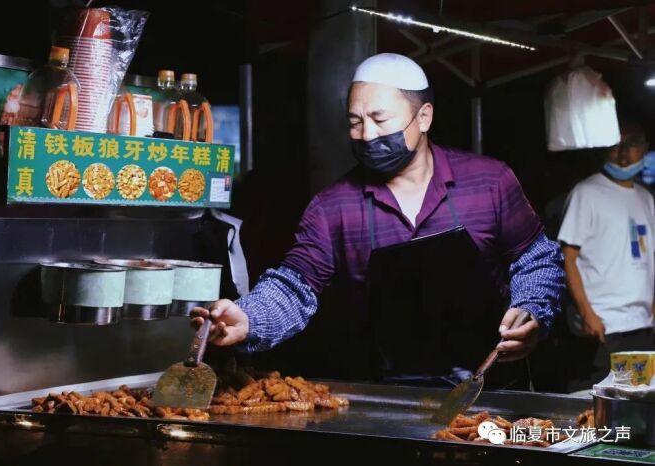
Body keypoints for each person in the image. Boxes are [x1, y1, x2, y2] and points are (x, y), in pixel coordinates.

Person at [192, 53, 565, 387]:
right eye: (355, 122)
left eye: (379, 119)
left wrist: (531, 309)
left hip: (491, 386)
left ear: (424, 117)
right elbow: (295, 286)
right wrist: (249, 318)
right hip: (386, 394)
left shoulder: (489, 182)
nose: (366, 134)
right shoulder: (333, 207)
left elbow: (536, 258)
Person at [559, 120, 655, 390]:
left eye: (632, 144)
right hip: (604, 328)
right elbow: (568, 259)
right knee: (598, 401)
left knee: (637, 402)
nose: (623, 153)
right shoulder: (586, 193)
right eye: (615, 144)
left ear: (645, 148)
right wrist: (587, 313)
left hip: (642, 326)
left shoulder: (646, 199)